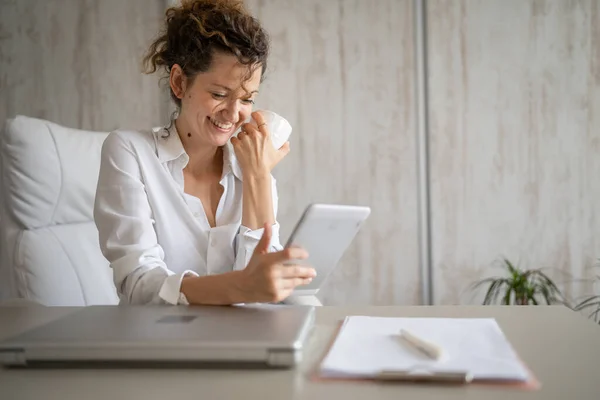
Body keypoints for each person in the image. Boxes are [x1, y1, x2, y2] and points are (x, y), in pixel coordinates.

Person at [93, 0, 316, 306]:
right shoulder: (130, 152)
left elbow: (261, 292)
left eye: (247, 99)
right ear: (179, 82)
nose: (234, 114)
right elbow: (139, 282)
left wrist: (258, 178)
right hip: (160, 340)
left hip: (239, 341)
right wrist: (238, 288)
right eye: (219, 94)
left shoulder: (251, 166)